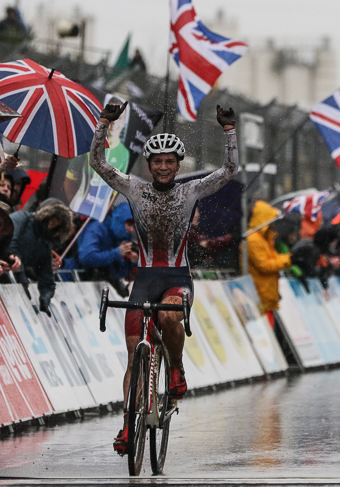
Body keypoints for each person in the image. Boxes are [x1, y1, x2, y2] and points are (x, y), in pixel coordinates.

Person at [90, 102, 238, 454]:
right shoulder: (134, 189)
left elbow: (230, 168)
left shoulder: (191, 191)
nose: (163, 167)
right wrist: (105, 122)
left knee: (170, 314)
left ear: (178, 164)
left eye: (170, 161)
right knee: (132, 355)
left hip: (176, 277)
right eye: (157, 161)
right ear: (149, 165)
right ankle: (128, 425)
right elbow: (98, 163)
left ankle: (176, 368)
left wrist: (228, 128)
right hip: (143, 279)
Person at [8, 200, 73, 316]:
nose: (54, 222)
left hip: (11, 277)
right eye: (53, 217)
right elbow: (9, 239)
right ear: (46, 213)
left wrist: (45, 299)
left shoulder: (45, 244)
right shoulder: (23, 218)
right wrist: (21, 275)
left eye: (58, 221)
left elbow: (47, 278)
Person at [62, 201, 136, 294]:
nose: (131, 229)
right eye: (129, 224)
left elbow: (115, 273)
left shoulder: (120, 238)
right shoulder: (96, 228)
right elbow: (86, 258)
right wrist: (116, 253)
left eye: (133, 226)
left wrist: (130, 262)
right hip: (72, 282)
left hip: (92, 287)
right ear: (119, 220)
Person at [244, 200, 292, 324]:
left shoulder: (265, 239)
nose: (274, 223)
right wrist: (289, 259)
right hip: (258, 297)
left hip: (266, 298)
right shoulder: (253, 240)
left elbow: (274, 259)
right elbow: (264, 265)